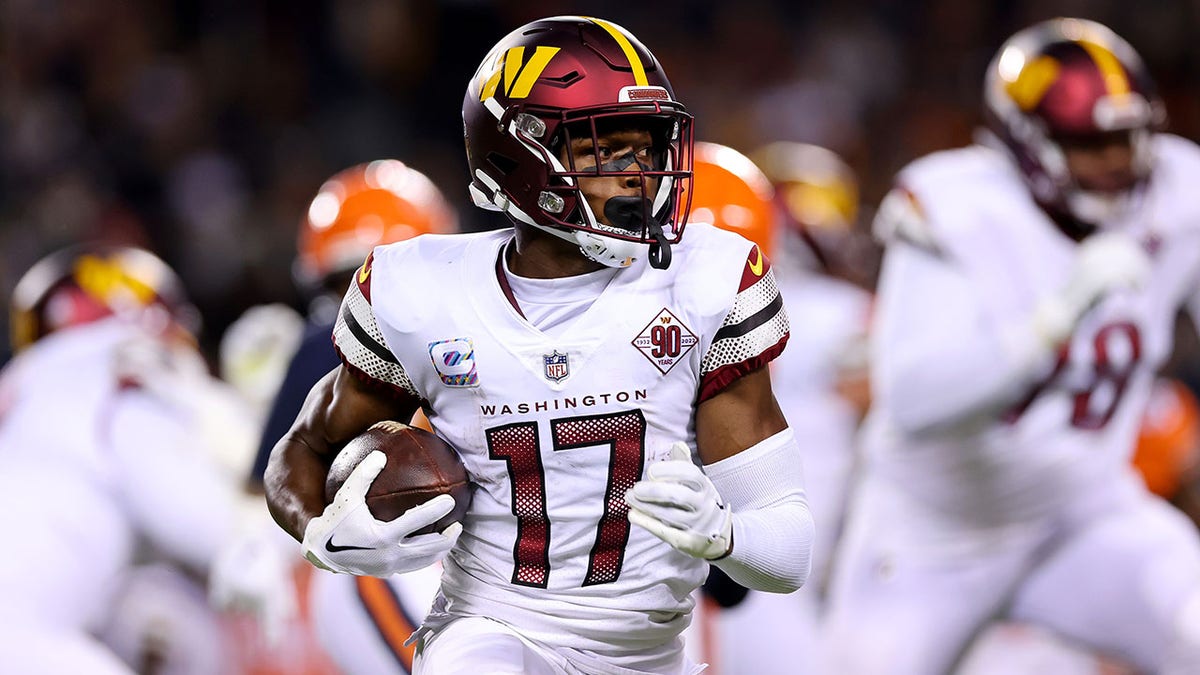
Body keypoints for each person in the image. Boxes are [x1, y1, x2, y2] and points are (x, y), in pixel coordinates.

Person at [264, 15, 814, 675]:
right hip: (491, 632)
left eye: (647, 147)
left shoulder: (706, 282)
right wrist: (323, 533)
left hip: (648, 658)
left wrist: (725, 533)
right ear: (519, 156)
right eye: (606, 148)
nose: (641, 174)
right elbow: (299, 453)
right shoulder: (422, 292)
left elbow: (790, 553)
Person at [821, 18, 1200, 674]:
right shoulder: (959, 207)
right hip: (932, 533)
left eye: (1127, 138)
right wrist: (1050, 323)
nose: (1117, 161)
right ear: (1028, 144)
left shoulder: (1178, 187)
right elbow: (914, 397)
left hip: (1082, 511)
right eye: (1090, 143)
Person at [0, 244, 243, 674]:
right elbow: (202, 523)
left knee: (153, 609)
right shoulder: (117, 365)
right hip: (17, 632)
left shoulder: (28, 390)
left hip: (29, 616)